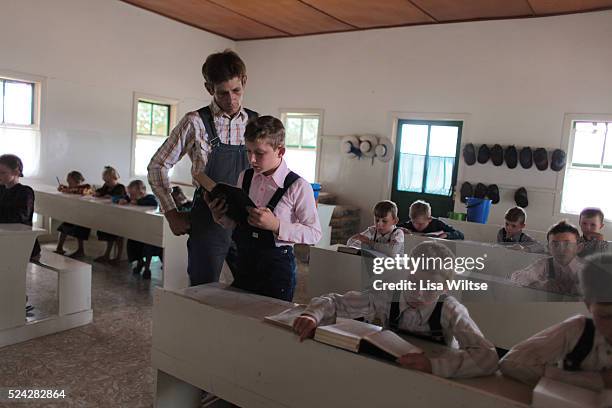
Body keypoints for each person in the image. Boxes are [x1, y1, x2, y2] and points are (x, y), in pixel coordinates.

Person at [292, 241, 498, 378]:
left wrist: (434, 366)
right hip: (391, 370)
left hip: (432, 379)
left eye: (430, 289)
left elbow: (488, 356)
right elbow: (335, 302)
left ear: (444, 288)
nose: (418, 294)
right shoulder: (389, 296)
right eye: (414, 282)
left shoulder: (451, 309)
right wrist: (312, 314)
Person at [148, 49, 258, 286]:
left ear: (244, 82)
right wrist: (171, 212)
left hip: (247, 218)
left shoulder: (255, 123)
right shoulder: (195, 122)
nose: (231, 100)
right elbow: (157, 166)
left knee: (253, 288)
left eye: (236, 91)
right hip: (208, 218)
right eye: (222, 93)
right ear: (209, 89)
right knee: (202, 288)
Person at [209, 116, 321, 301]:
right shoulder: (244, 176)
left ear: (280, 151)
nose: (252, 159)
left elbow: (315, 233)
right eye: (248, 151)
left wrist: (277, 225)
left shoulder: (299, 186)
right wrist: (220, 215)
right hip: (243, 261)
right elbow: (238, 221)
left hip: (276, 268)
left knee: (270, 327)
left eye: (260, 153)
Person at [501, 253, 612, 390]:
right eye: (605, 317)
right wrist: (598, 381)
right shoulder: (578, 331)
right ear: (588, 305)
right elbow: (511, 363)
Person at [509, 220, 583, 296]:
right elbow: (516, 278)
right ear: (549, 248)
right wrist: (542, 285)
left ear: (579, 248)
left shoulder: (584, 269)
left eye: (567, 244)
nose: (561, 249)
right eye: (555, 244)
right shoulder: (545, 263)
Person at [114, 180, 162, 279]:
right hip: (137, 229)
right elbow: (116, 198)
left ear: (141, 192)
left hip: (149, 230)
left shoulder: (149, 197)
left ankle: (147, 268)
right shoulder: (130, 198)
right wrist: (121, 200)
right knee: (132, 244)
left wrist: (138, 201)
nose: (131, 197)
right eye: (130, 194)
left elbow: (153, 202)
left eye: (134, 195)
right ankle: (140, 262)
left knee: (148, 246)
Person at [0, 154, 40, 261]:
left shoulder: (25, 192)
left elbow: (20, 217)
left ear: (16, 172)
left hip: (22, 241)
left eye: (3, 173)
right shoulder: (1, 189)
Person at [94, 166, 126, 264]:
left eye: (108, 181)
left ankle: (119, 257)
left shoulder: (120, 187)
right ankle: (107, 254)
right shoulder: (106, 186)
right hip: (110, 214)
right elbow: (101, 191)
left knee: (118, 236)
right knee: (110, 234)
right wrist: (98, 193)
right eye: (105, 181)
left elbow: (119, 196)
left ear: (115, 178)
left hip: (120, 215)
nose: (106, 184)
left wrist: (110, 197)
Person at [56, 170, 92, 257]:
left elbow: (80, 191)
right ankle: (59, 248)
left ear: (77, 180)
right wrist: (64, 188)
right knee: (63, 227)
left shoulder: (86, 187)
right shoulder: (71, 188)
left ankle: (81, 250)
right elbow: (71, 189)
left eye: (70, 181)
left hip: (84, 215)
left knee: (80, 229)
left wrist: (67, 190)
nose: (68, 183)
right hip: (74, 214)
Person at [398, 200, 464, 240]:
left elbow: (460, 235)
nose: (417, 226)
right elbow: (393, 228)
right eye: (415, 223)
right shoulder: (409, 224)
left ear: (429, 219)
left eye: (421, 224)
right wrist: (400, 230)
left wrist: (446, 235)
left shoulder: (437, 224)